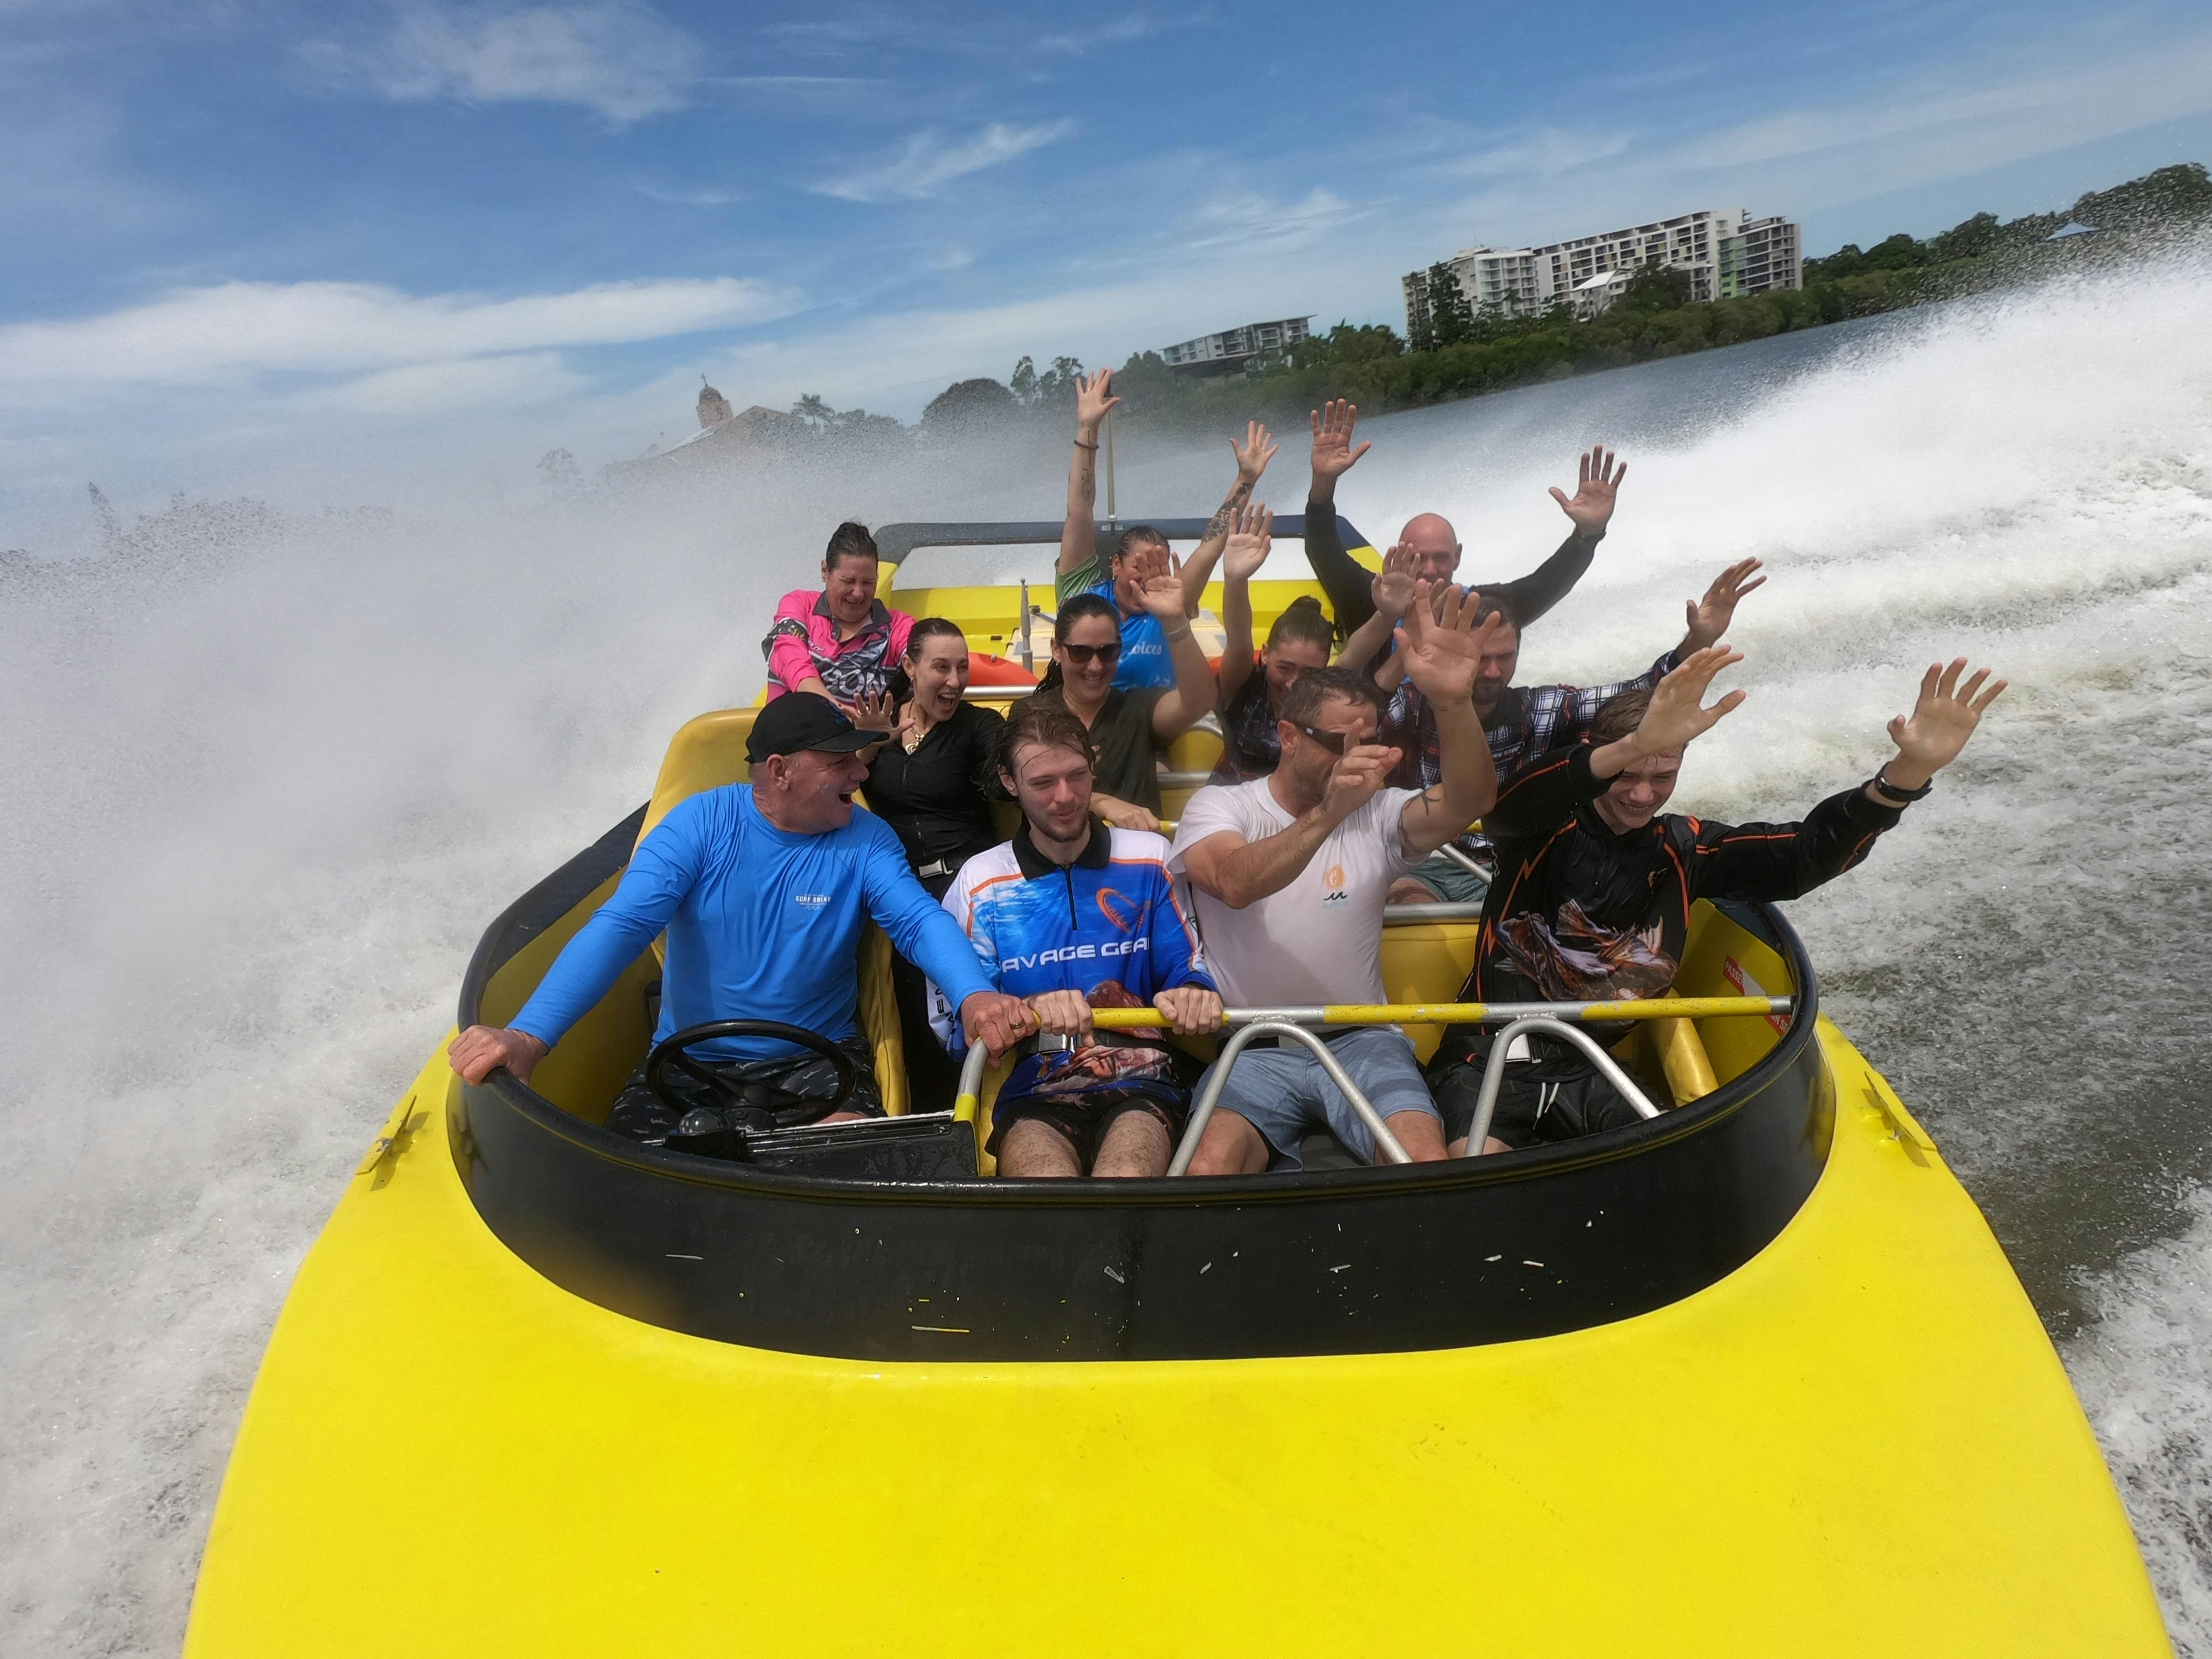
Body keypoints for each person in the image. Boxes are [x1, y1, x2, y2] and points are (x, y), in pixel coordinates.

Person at [1426, 650, 2007, 1153]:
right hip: (1487, 1059)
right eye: (1626, 773)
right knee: (1472, 1166)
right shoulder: (1540, 828)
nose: (1640, 794)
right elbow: (1509, 808)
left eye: (1662, 776)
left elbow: (1804, 854)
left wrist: (1907, 775)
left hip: (1593, 1068)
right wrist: (1633, 742)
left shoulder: (1685, 846)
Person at [446, 692, 1034, 1148]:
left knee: (857, 1163)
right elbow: (621, 925)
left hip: (819, 1060)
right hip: (687, 1061)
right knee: (623, 1185)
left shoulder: (866, 838)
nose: (860, 774)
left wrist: (974, 997)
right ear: (779, 771)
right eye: (839, 761)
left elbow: (916, 922)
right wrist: (527, 1037)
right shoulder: (697, 826)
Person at [1167, 591, 1505, 1174]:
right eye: (1338, 743)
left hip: (1363, 1041)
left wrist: (1453, 703)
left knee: (1420, 1162)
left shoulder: (1377, 813)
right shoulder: (1221, 807)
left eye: (1369, 742)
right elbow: (1233, 881)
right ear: (1290, 737)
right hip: (1254, 1045)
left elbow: (1472, 801)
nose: (1360, 759)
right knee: (1206, 1170)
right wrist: (1326, 813)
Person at [1370, 556, 1769, 907]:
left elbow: (1642, 692)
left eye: (1505, 657)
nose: (1492, 672)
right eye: (1480, 659)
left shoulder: (1542, 708)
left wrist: (1700, 638)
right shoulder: (1411, 707)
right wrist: (1401, 657)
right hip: (1431, 863)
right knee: (1406, 900)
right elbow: (1350, 720)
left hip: (1524, 866)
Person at [930, 702, 1224, 1178]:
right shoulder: (981, 881)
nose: (1065, 797)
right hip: (1035, 1080)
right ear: (1009, 783)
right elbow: (958, 1025)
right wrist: (1029, 1010)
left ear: (1095, 763)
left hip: (1144, 1075)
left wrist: (1194, 993)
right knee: (1047, 1198)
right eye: (1043, 783)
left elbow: (1187, 965)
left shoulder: (1150, 858)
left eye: (1077, 776)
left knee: (1125, 1182)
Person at [1303, 398, 1624, 648]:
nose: (1429, 570)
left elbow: (1549, 583)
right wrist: (1324, 482)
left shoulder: (1483, 609)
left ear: (1458, 556)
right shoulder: (1367, 598)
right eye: (1418, 558)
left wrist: (1588, 533)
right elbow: (1322, 548)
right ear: (1399, 554)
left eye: (1440, 557)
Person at [858, 617, 1009, 1104]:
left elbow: (1013, 771)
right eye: (941, 667)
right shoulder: (879, 725)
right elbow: (839, 786)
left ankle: (985, 1111)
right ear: (910, 667)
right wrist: (866, 743)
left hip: (966, 888)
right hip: (899, 894)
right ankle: (925, 1116)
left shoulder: (978, 727)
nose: (955, 681)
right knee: (912, 1016)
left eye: (962, 668)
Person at [1054, 368, 1277, 690]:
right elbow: (1080, 510)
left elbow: (1211, 546)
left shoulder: (1172, 600)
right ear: (1116, 565)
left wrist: (1246, 481)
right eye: (1139, 567)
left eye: (1156, 567)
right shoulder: (1080, 594)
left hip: (1153, 721)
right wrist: (1088, 428)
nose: (1147, 579)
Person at [1021, 578, 1215, 830]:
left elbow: (1199, 700)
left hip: (1133, 858)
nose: (1095, 666)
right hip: (1058, 859)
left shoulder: (1139, 710)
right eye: (1080, 652)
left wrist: (1176, 622)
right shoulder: (1032, 714)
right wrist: (1100, 803)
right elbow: (1013, 788)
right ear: (1057, 651)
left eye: (1107, 652)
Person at [1208, 503, 1342, 783]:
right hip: (1234, 808)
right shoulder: (1246, 687)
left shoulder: (1327, 699)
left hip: (1300, 813)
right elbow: (1240, 639)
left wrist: (1388, 615)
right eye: (1285, 668)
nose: (1293, 682)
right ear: (1266, 655)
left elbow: (1359, 654)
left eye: (1308, 674)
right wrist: (1235, 578)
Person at [762, 521, 913, 708]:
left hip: (867, 735)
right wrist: (839, 714)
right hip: (790, 732)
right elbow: (788, 655)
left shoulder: (898, 627)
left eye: (868, 582)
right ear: (825, 571)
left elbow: (927, 662)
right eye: (848, 581)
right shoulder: (800, 606)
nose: (858, 593)